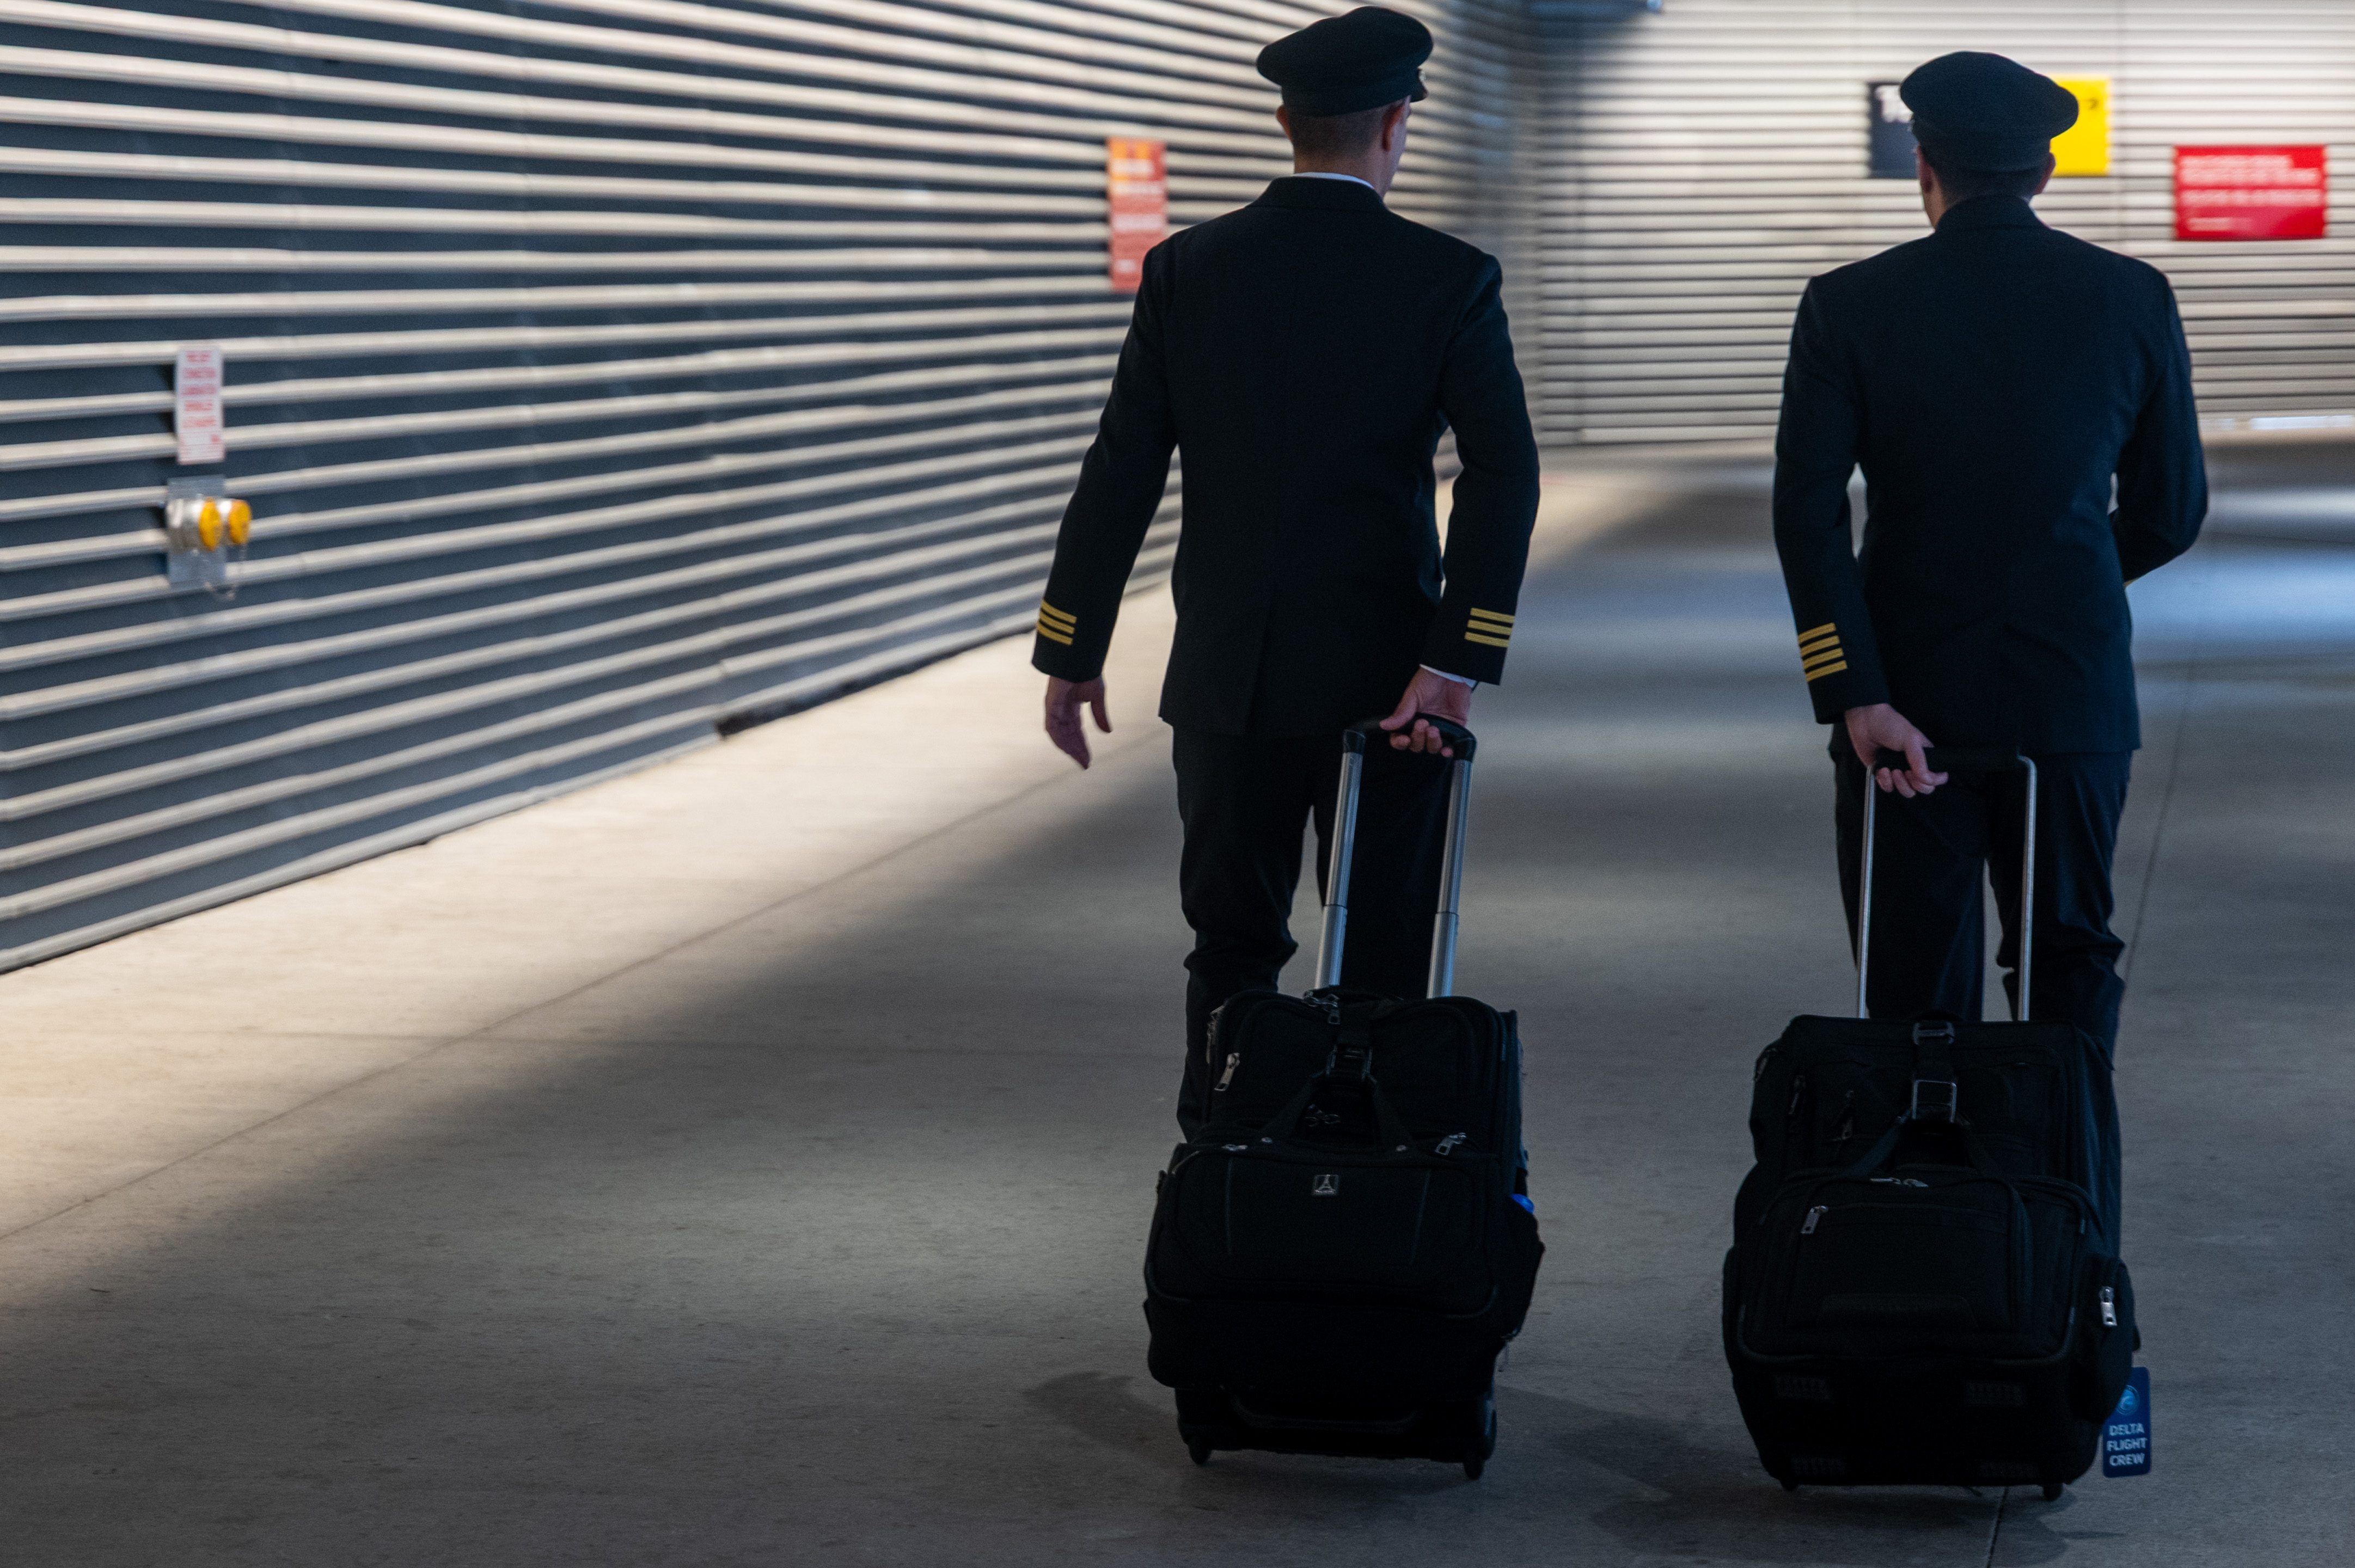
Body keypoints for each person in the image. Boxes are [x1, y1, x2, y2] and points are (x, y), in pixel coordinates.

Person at [1029, 6, 1540, 1129]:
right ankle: (1371, 1186)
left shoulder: (1187, 269)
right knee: (1382, 952)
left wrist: (1071, 651)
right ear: (1398, 124)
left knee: (1230, 948)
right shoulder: (1449, 277)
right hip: (1392, 684)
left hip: (1228, 680)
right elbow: (1503, 476)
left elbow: (1120, 470)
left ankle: (1220, 1171)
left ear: (1283, 121)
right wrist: (1456, 660)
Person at [1772, 51, 2207, 1055]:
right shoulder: (2132, 296)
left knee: (1912, 975)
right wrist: (2073, 576)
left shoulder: (1847, 302)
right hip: (2072, 689)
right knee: (2068, 960)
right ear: (2043, 173)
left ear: (1922, 164)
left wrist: (1855, 691)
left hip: (1901, 694)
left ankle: (1922, 1193)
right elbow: (2169, 509)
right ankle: (2071, 1193)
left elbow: (1806, 516)